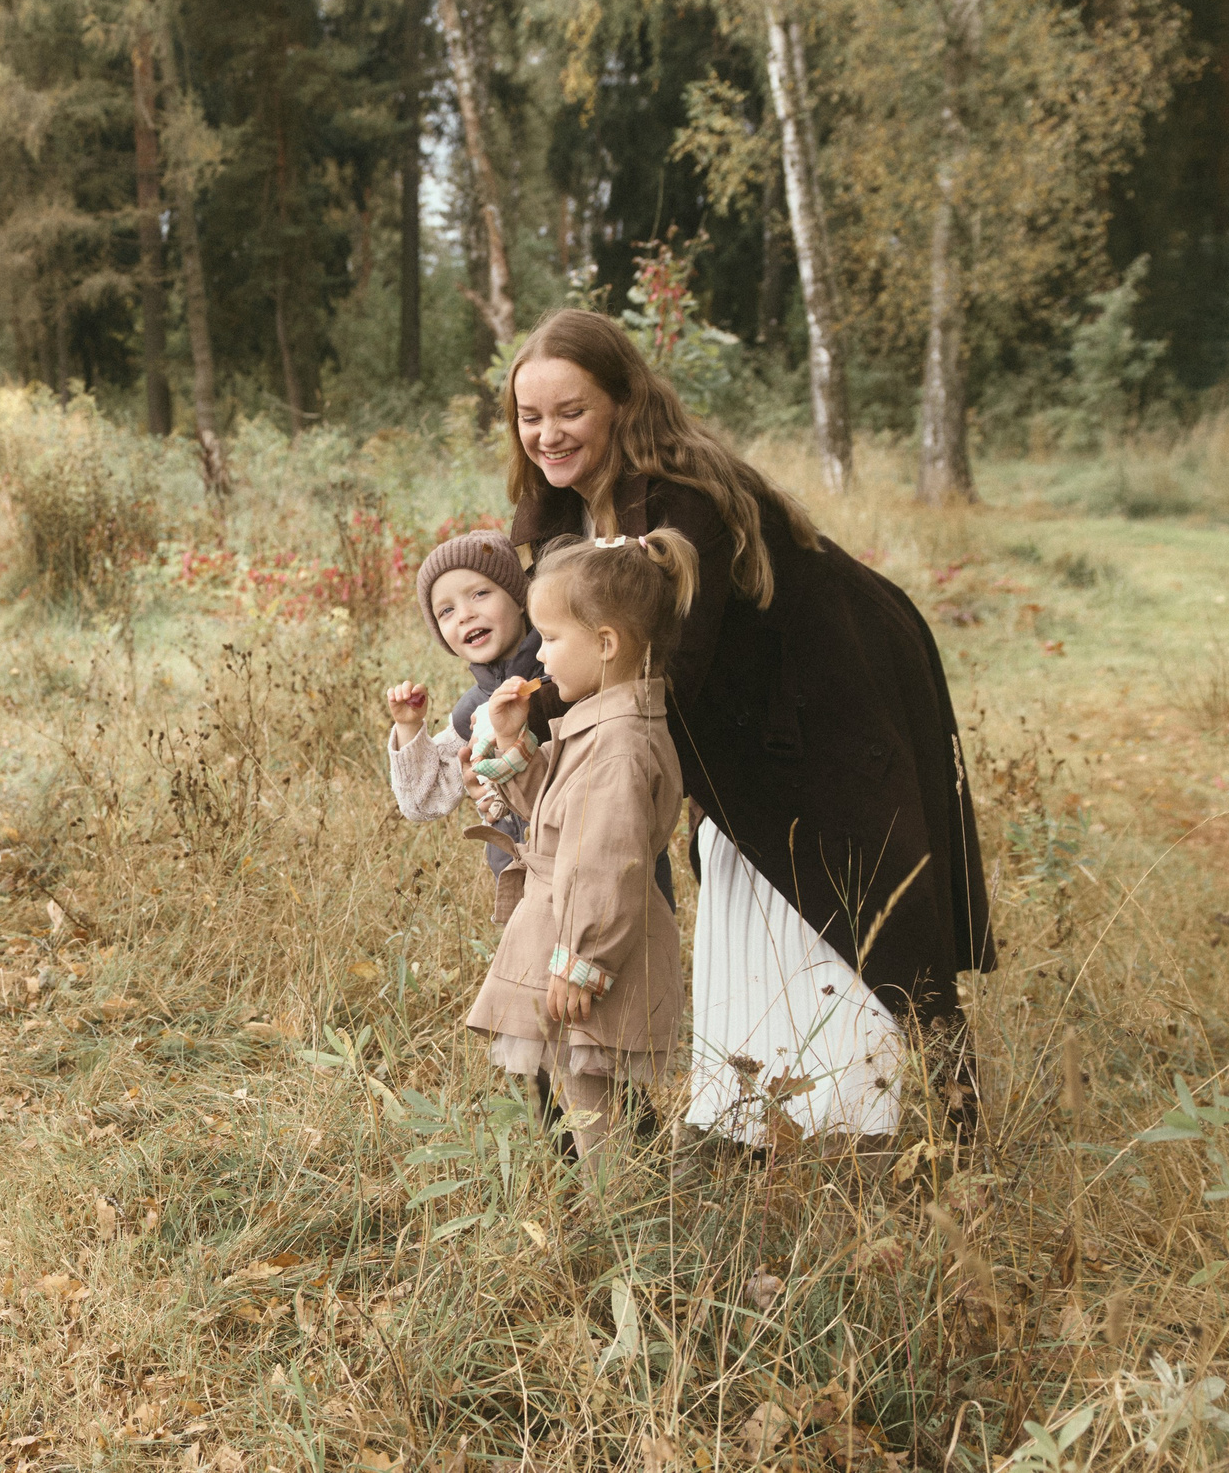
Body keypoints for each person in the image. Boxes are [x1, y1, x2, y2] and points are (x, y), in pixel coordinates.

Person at [498, 309, 995, 1147]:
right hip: (739, 710)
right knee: (750, 880)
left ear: (622, 401)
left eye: (570, 411)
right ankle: (763, 1119)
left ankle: (955, 1116)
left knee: (866, 889)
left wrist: (546, 720)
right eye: (529, 415)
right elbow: (566, 644)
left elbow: (667, 668)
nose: (548, 434)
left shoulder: (683, 498)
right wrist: (514, 717)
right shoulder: (553, 512)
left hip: (834, 682)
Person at [463, 531, 699, 1169]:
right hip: (571, 938)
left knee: (595, 1104)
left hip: (588, 946)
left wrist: (583, 962)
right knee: (583, 1089)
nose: (539, 659)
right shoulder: (599, 725)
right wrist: (514, 751)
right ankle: (608, 1209)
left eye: (551, 640)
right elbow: (557, 821)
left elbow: (609, 864)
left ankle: (613, 1217)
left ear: (605, 644)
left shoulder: (618, 745)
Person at [383, 531, 542, 879]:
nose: (465, 615)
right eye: (447, 611)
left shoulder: (561, 676)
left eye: (481, 593)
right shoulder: (473, 712)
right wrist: (409, 728)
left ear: (519, 598)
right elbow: (423, 802)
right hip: (520, 883)